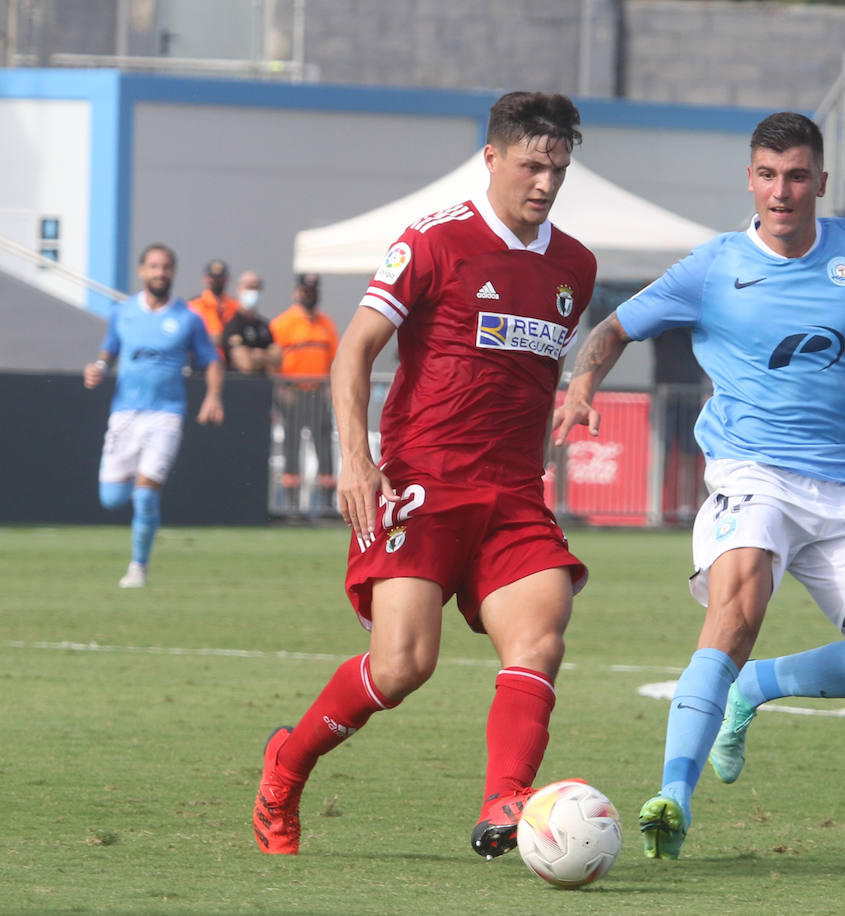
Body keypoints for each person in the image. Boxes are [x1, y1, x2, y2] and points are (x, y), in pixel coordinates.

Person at [553, 112, 845, 859]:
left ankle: (756, 687)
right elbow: (613, 329)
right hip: (750, 472)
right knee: (737, 611)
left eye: (796, 175)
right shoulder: (715, 266)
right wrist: (579, 387)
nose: (782, 191)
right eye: (767, 175)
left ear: (820, 181)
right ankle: (674, 795)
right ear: (751, 180)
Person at [253, 91, 597, 860]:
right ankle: (288, 765)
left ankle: (505, 799)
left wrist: (571, 404)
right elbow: (356, 348)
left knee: (540, 639)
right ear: (493, 158)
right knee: (404, 664)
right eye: (532, 165)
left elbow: (530, 370)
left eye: (559, 168)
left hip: (510, 495)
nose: (545, 183)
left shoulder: (577, 264)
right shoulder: (435, 241)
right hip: (424, 483)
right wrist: (356, 458)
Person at [83, 243, 225, 587]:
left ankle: (138, 567)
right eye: (153, 266)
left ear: (172, 272)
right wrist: (99, 367)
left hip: (166, 415)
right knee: (112, 498)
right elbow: (110, 349)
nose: (159, 272)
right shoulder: (122, 312)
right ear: (142, 271)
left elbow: (212, 359)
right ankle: (140, 478)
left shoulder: (188, 317)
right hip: (125, 414)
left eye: (165, 267)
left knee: (146, 496)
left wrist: (213, 396)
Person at [269, 274, 339, 514]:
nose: (308, 294)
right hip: (293, 393)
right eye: (304, 290)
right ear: (296, 292)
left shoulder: (326, 324)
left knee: (324, 446)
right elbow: (272, 363)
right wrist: (280, 390)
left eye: (312, 290)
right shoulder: (282, 324)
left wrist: (331, 389)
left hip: (319, 393)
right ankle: (291, 502)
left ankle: (327, 501)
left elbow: (335, 361)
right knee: (292, 446)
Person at [220, 271, 280, 374]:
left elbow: (278, 359)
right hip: (239, 386)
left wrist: (257, 355)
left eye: (255, 288)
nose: (252, 292)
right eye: (248, 287)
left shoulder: (264, 326)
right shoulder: (233, 325)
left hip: (264, 386)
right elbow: (246, 364)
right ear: (239, 290)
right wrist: (266, 356)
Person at [186, 259, 240, 353]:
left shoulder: (236, 305)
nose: (216, 281)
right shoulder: (194, 305)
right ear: (205, 279)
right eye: (213, 277)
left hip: (232, 360)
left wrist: (220, 339)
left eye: (220, 277)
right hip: (203, 361)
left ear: (227, 279)